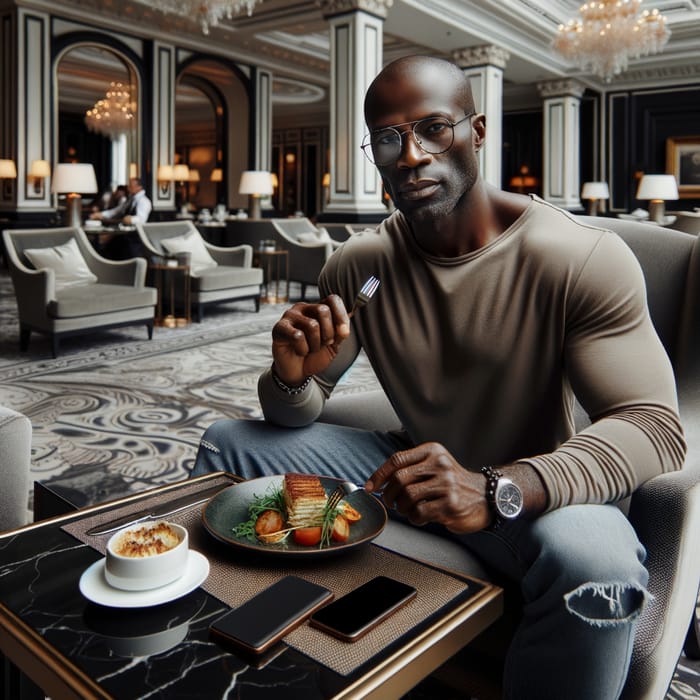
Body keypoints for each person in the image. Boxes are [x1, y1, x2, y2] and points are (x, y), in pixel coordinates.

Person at [191, 56, 686, 698]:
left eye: (433, 128)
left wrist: (499, 489)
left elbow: (655, 427)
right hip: (410, 466)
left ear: (477, 132)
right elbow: (298, 413)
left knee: (598, 567)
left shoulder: (579, 257)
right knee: (226, 441)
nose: (412, 155)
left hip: (530, 490)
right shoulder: (363, 268)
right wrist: (291, 378)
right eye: (390, 138)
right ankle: (253, 644)